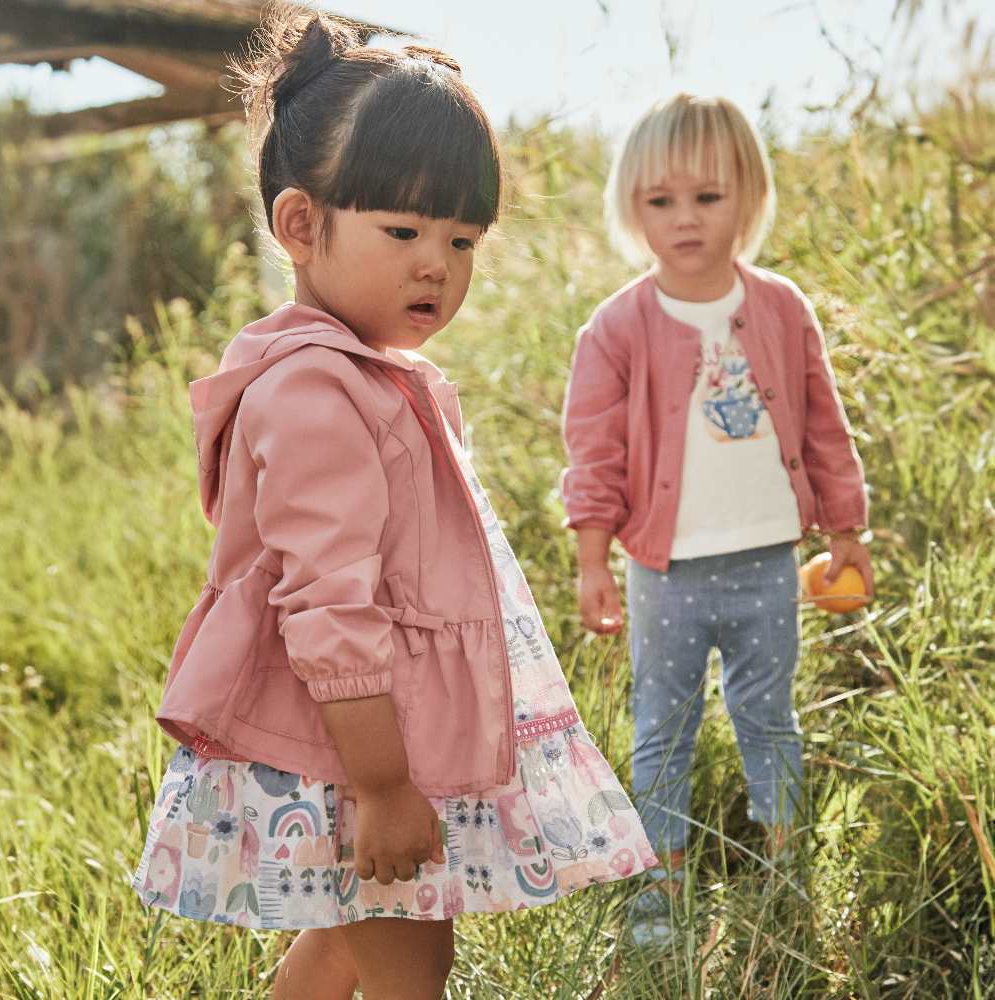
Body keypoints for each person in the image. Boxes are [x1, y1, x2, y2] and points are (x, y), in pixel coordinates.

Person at [130, 9, 656, 999]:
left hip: (381, 738)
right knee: (410, 960)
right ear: (299, 225)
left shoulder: (370, 377)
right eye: (404, 230)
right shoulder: (314, 391)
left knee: (349, 944)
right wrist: (381, 785)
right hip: (351, 750)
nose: (437, 265)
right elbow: (328, 604)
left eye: (463, 239)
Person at [560, 93, 874, 947]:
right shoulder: (616, 328)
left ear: (750, 195)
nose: (686, 220)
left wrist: (848, 532)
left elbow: (823, 427)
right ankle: (658, 890)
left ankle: (787, 872)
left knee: (769, 715)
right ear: (633, 208)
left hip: (768, 559)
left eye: (708, 197)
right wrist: (594, 562)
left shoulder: (780, 308)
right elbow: (594, 457)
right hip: (664, 570)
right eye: (661, 202)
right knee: (663, 724)